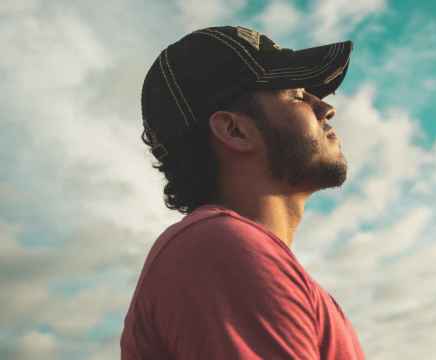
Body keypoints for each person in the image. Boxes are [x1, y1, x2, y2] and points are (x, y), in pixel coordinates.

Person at [120, 25, 364, 359]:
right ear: (234, 130)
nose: (324, 108)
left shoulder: (232, 253)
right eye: (296, 95)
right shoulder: (219, 249)